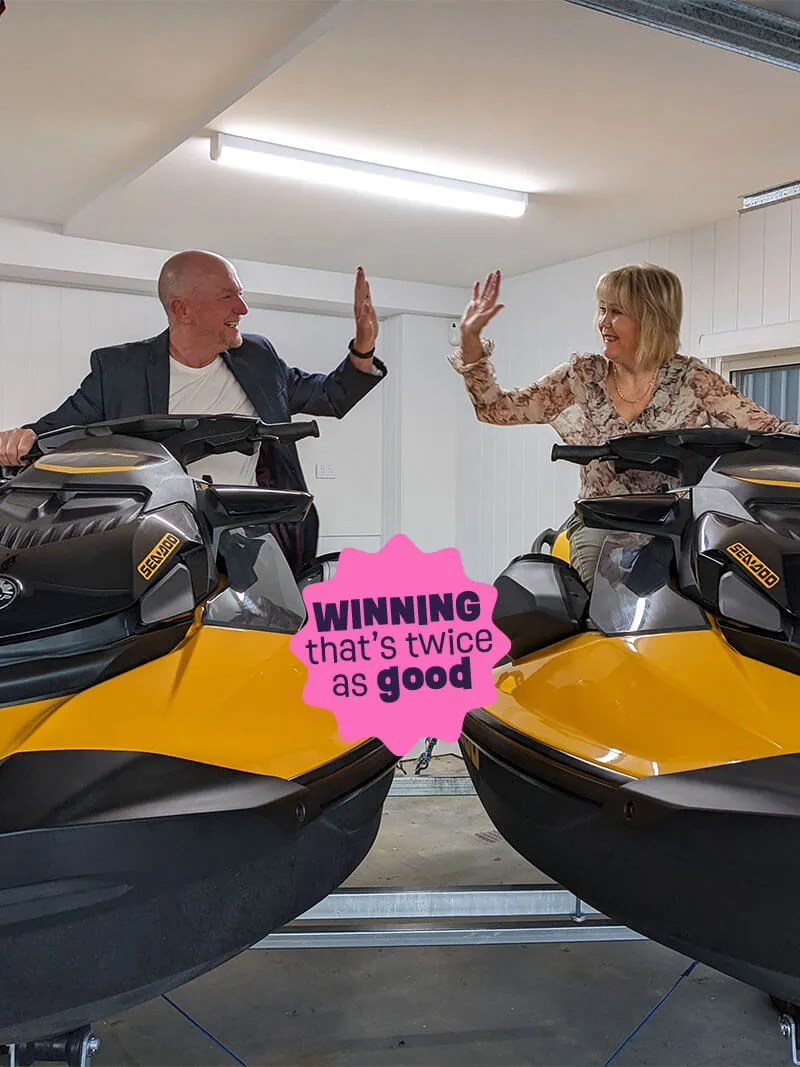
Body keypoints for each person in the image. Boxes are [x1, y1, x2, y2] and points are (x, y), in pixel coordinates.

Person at [0, 250, 386, 575]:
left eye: (240, 294)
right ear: (181, 309)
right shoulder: (121, 370)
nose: (243, 309)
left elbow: (329, 397)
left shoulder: (258, 359)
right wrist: (20, 439)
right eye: (226, 297)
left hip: (250, 539)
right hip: (156, 544)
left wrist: (363, 348)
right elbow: (54, 430)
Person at [450, 263, 800, 587]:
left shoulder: (691, 378)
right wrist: (470, 341)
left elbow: (767, 430)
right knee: (601, 606)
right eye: (602, 309)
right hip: (602, 523)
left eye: (616, 312)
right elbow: (498, 409)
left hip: (672, 525)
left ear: (651, 318)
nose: (603, 322)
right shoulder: (584, 374)